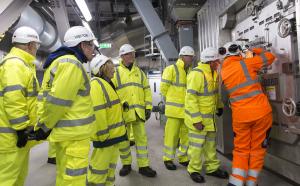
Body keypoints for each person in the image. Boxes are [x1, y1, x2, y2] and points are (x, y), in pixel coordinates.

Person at [34, 26, 96, 186]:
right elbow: (58, 101)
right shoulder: (72, 64)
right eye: (91, 45)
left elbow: (49, 98)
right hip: (74, 136)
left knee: (64, 176)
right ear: (82, 45)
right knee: (74, 180)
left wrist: (44, 125)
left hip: (65, 134)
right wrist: (45, 127)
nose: (93, 50)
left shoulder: (58, 62)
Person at [219, 42, 275, 186]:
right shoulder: (247, 64)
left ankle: (236, 182)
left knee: (241, 149)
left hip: (240, 117)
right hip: (261, 114)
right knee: (257, 149)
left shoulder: (223, 71)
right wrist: (253, 49)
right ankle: (251, 182)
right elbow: (270, 57)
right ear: (239, 52)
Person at [0, 26, 41, 185]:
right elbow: (14, 99)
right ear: (30, 45)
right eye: (36, 45)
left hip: (16, 136)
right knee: (7, 180)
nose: (37, 49)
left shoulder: (22, 64)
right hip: (11, 137)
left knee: (18, 178)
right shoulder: (15, 65)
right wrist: (21, 129)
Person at [185, 47, 229, 183]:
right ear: (210, 62)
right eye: (217, 61)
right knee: (196, 147)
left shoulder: (213, 73)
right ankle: (193, 170)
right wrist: (196, 120)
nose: (219, 64)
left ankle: (212, 168)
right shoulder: (196, 74)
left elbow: (214, 94)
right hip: (197, 119)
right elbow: (190, 99)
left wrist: (219, 106)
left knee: (210, 145)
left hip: (209, 119)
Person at [113, 44, 156, 177]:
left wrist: (148, 107)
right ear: (122, 56)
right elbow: (112, 92)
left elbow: (146, 90)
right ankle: (126, 164)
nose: (131, 56)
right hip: (123, 113)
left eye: (132, 53)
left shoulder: (140, 73)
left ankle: (143, 166)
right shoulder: (116, 72)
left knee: (141, 140)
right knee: (124, 141)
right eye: (128, 54)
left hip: (138, 112)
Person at [87, 54, 128, 186]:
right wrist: (102, 135)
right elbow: (98, 111)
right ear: (102, 68)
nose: (114, 70)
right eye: (111, 68)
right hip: (105, 137)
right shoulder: (96, 85)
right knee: (99, 170)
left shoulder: (107, 83)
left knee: (110, 168)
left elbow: (109, 105)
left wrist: (122, 106)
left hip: (114, 136)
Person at [160, 46, 194, 170]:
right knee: (171, 136)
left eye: (192, 57)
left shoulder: (191, 71)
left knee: (186, 136)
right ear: (182, 57)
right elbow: (163, 88)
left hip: (187, 111)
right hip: (174, 111)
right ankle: (168, 158)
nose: (191, 59)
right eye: (189, 56)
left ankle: (183, 157)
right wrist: (170, 101)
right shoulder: (171, 69)